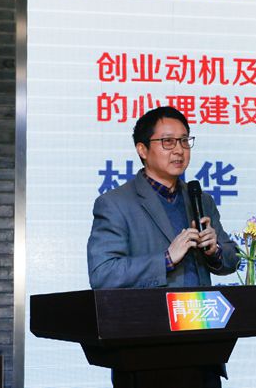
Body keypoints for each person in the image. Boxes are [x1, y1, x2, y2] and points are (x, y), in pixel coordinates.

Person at [87, 106, 239, 387]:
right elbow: (103, 273)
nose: (179, 150)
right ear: (142, 149)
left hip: (203, 348)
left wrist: (215, 251)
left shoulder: (200, 199)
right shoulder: (116, 204)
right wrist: (166, 259)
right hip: (144, 355)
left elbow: (232, 258)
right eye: (168, 142)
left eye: (184, 140)